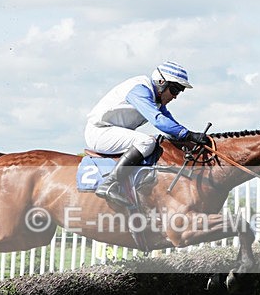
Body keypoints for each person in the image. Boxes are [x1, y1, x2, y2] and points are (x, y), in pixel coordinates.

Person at [85, 60, 210, 207]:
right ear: (161, 82)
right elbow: (158, 121)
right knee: (146, 141)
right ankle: (109, 184)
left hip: (111, 131)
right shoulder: (141, 90)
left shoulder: (156, 98)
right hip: (99, 132)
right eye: (175, 90)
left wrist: (190, 136)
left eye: (179, 92)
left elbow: (168, 120)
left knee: (158, 141)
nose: (175, 96)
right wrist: (188, 134)